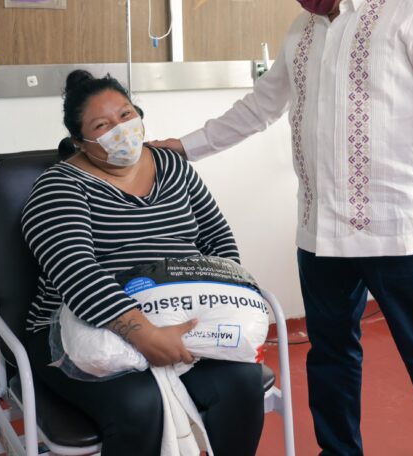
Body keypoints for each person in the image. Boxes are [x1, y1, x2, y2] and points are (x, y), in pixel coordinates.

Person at [152, 0, 413, 455]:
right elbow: (258, 108)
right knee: (329, 355)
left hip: (398, 232)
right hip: (320, 235)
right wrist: (186, 147)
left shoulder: (408, 15)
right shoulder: (301, 32)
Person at [21, 71, 264, 456]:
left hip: (181, 316)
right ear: (79, 141)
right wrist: (145, 334)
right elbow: (75, 271)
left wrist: (221, 306)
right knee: (139, 405)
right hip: (81, 327)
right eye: (102, 125)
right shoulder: (59, 187)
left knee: (242, 383)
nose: (120, 129)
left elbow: (217, 240)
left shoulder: (173, 167)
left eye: (125, 115)